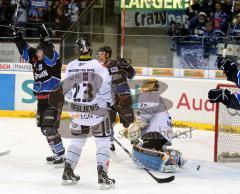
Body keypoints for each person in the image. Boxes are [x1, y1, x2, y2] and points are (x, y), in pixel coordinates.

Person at [62, 38, 115, 188]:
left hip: (77, 112)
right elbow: (105, 89)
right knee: (103, 142)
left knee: (77, 142)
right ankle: (102, 174)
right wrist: (111, 102)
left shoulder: (71, 66)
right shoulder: (98, 65)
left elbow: (66, 91)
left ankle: (68, 171)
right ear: (90, 49)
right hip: (97, 113)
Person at [9, 24, 65, 166]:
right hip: (41, 101)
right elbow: (25, 50)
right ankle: (56, 152)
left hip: (53, 98)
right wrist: (17, 37)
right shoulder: (35, 60)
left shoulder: (52, 60)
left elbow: (50, 52)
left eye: (39, 50)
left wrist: (46, 40)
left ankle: (61, 155)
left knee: (49, 128)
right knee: (44, 129)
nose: (37, 52)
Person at [123, 79, 185, 172]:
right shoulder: (157, 97)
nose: (142, 87)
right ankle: (173, 157)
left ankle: (168, 162)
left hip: (155, 131)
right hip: (163, 131)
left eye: (144, 85)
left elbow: (146, 113)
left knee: (146, 151)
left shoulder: (149, 95)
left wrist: (133, 130)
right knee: (155, 149)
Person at [97, 46, 135, 151]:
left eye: (101, 53)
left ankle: (135, 141)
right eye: (99, 53)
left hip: (123, 97)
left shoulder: (118, 64)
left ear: (107, 54)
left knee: (128, 123)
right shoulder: (98, 67)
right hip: (109, 99)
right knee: (108, 121)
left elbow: (132, 75)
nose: (99, 56)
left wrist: (128, 67)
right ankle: (110, 142)